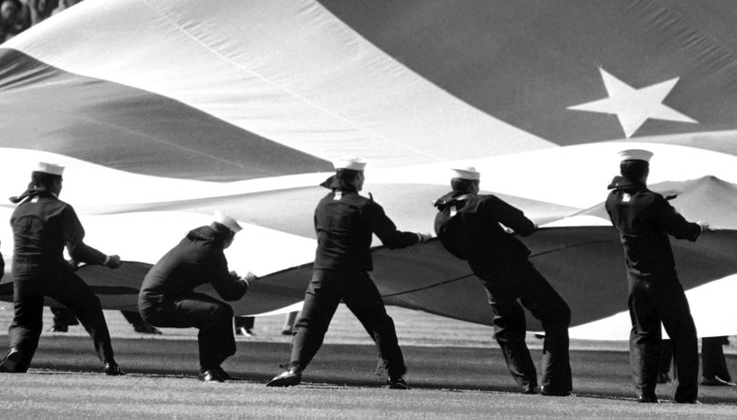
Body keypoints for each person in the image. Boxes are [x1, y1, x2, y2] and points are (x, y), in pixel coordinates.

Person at [266, 157, 429, 388]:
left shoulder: (323, 204)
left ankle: (293, 369)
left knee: (309, 325)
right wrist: (419, 237)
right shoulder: (365, 205)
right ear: (357, 177)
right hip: (353, 275)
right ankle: (394, 375)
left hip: (322, 274)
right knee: (380, 325)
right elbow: (392, 239)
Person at [433, 166, 572, 396]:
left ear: (453, 185)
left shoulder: (441, 217)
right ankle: (554, 383)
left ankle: (527, 383)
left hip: (488, 276)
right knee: (557, 314)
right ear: (474, 185)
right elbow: (524, 226)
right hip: (517, 270)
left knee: (508, 329)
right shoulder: (485, 203)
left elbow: (455, 251)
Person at [605, 149, 709, 404]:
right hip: (662, 281)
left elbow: (631, 207)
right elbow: (682, 230)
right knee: (683, 335)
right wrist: (700, 227)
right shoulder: (652, 201)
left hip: (635, 282)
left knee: (644, 337)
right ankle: (685, 395)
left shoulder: (612, 200)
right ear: (646, 172)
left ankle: (644, 392)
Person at [0, 162, 125, 375]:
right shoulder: (62, 209)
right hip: (52, 272)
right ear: (56, 183)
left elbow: (34, 246)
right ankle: (109, 362)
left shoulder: (20, 210)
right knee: (90, 306)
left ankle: (16, 353)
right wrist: (107, 260)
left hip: (22, 274)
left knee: (25, 322)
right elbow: (77, 251)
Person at [138, 211, 256, 382]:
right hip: (158, 305)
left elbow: (200, 269)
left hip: (158, 300)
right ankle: (208, 368)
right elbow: (231, 293)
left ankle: (215, 365)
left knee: (223, 311)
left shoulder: (194, 241)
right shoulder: (211, 250)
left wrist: (226, 276)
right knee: (214, 313)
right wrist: (246, 280)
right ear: (229, 235)